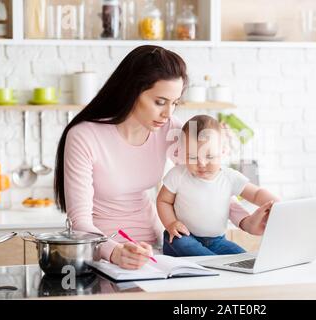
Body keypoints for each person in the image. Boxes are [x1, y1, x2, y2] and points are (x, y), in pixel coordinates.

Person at [54, 45, 273, 270]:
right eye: (160, 102)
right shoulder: (84, 136)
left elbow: (208, 180)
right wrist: (115, 252)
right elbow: (79, 223)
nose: (169, 113)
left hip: (155, 248)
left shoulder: (170, 130)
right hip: (103, 254)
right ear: (132, 91)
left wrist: (245, 222)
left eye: (175, 103)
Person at [157, 115, 280, 256]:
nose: (201, 163)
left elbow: (256, 193)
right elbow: (163, 201)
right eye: (192, 157)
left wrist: (276, 204)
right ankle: (215, 264)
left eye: (209, 156)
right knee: (183, 244)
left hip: (217, 241)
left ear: (222, 151)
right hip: (182, 236)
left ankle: (213, 263)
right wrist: (171, 223)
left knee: (245, 260)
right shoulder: (178, 174)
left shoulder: (229, 177)